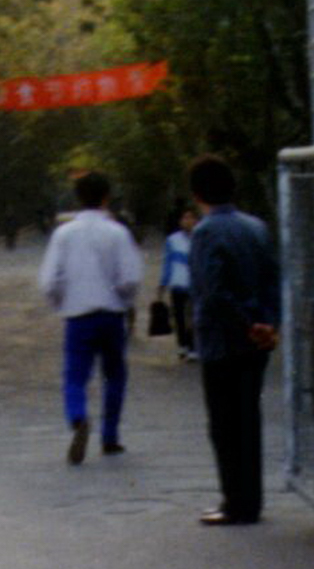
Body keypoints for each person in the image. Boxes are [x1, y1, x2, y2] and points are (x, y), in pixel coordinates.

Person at [186, 155, 280, 526]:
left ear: (197, 194)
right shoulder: (256, 227)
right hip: (258, 339)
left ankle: (234, 502)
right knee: (248, 418)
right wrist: (267, 323)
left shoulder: (205, 232)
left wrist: (245, 324)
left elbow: (212, 291)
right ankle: (250, 500)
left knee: (224, 424)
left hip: (222, 340)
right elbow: (273, 278)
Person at [38, 170, 143, 464]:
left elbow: (49, 281)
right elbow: (131, 278)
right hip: (111, 315)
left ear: (77, 197)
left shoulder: (64, 234)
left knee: (75, 376)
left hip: (78, 316)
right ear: (106, 197)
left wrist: (61, 303)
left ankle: (78, 417)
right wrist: (124, 301)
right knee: (115, 375)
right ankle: (110, 437)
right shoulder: (118, 232)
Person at [156, 207, 197, 359]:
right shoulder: (172, 240)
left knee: (193, 317)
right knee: (179, 316)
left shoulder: (201, 238)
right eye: (185, 218)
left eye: (191, 218)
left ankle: (193, 346)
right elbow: (168, 263)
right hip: (178, 283)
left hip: (195, 285)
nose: (188, 221)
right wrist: (163, 283)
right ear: (180, 221)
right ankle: (182, 345)